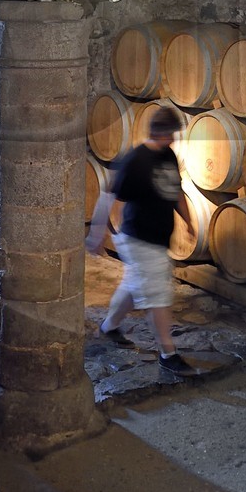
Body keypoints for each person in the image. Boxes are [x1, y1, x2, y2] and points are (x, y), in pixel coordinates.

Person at [85, 105, 199, 377]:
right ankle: (167, 354)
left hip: (157, 238)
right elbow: (108, 195)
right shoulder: (136, 160)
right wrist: (97, 232)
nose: (174, 139)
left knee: (133, 285)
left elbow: (175, 190)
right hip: (139, 237)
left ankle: (109, 328)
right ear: (162, 132)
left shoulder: (167, 156)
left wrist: (188, 220)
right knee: (158, 294)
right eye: (172, 133)